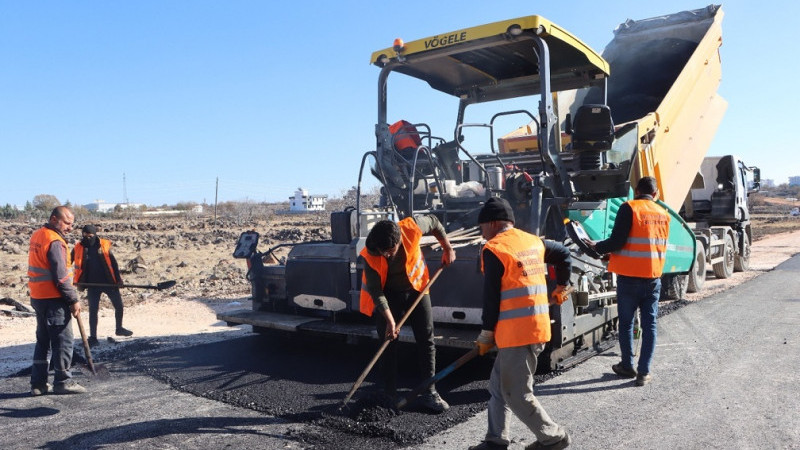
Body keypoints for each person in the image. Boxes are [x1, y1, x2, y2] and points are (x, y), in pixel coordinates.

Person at [470, 197, 572, 450]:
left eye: (482, 227)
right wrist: (562, 285)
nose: (482, 234)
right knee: (497, 387)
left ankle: (553, 437)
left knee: (516, 394)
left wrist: (485, 333)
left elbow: (491, 298)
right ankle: (496, 440)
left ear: (493, 224)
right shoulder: (532, 241)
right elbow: (564, 254)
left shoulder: (495, 249)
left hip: (517, 334)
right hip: (534, 327)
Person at [359, 215, 455, 413]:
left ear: (398, 240)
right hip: (388, 294)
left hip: (417, 288)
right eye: (382, 252)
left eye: (390, 251)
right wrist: (390, 321)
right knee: (387, 341)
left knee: (426, 339)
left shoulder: (412, 227)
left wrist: (447, 248)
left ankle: (430, 391)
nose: (385, 256)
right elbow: (376, 291)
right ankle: (389, 394)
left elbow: (435, 222)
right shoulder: (371, 254)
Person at [585, 176, 669, 387]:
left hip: (629, 278)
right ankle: (644, 372)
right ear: (655, 194)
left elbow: (618, 241)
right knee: (649, 325)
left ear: (636, 190)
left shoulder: (629, 208)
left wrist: (596, 246)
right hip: (652, 278)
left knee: (626, 323)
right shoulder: (663, 214)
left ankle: (627, 366)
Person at [28, 206, 86, 395]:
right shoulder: (55, 241)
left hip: (38, 297)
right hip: (54, 299)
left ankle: (38, 384)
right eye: (67, 223)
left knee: (42, 341)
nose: (70, 228)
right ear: (54, 219)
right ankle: (63, 381)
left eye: (72, 224)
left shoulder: (38, 235)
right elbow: (61, 277)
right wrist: (73, 299)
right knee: (63, 341)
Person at [72, 224, 132, 347]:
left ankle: (119, 328)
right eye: (84, 236)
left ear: (95, 235)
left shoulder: (103, 246)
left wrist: (118, 279)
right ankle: (93, 338)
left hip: (109, 282)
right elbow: (68, 261)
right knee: (93, 311)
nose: (87, 238)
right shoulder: (79, 247)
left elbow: (113, 264)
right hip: (91, 284)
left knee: (119, 306)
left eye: (90, 236)